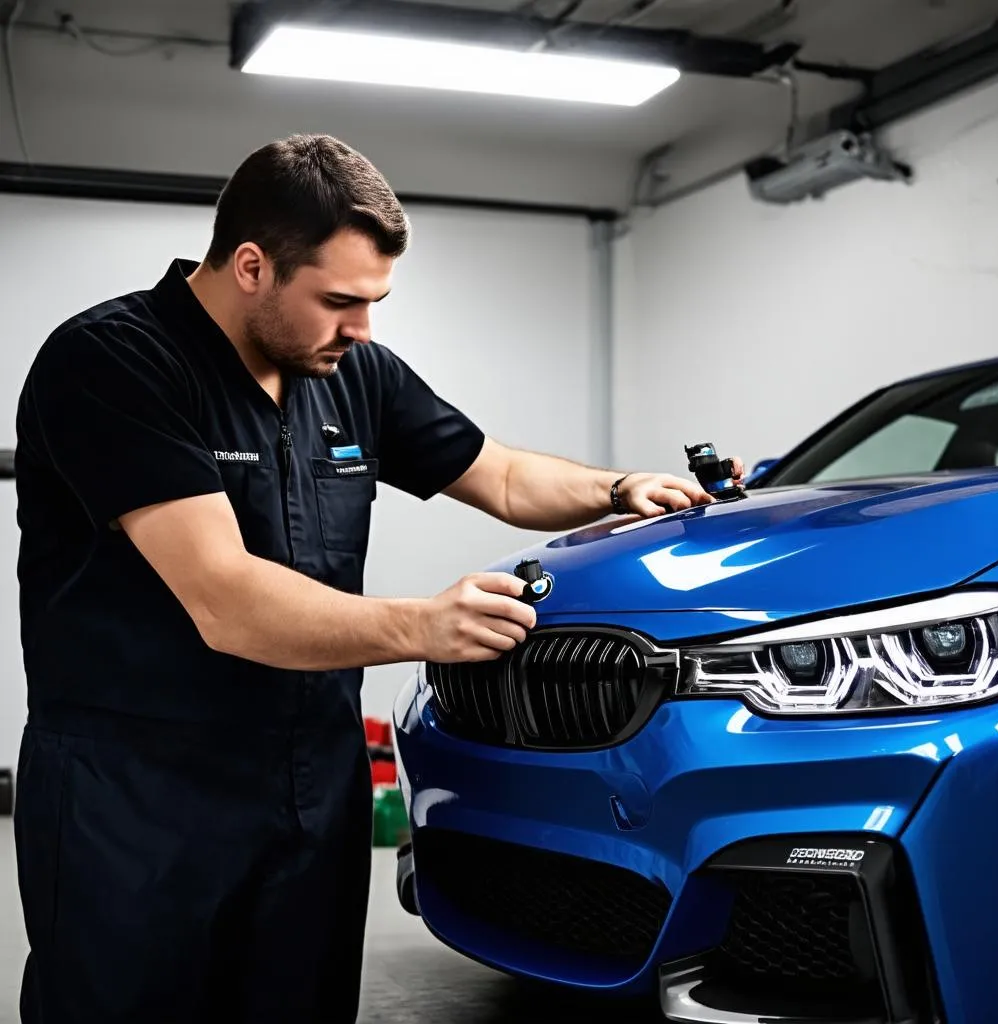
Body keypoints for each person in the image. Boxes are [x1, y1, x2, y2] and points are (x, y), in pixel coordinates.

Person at [12, 133, 743, 1024]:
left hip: (309, 781)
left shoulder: (352, 372)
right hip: (136, 793)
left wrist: (621, 487)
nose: (361, 329)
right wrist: (423, 626)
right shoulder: (115, 362)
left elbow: (503, 477)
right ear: (252, 266)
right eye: (339, 301)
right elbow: (225, 600)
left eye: (374, 303)